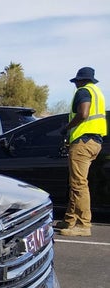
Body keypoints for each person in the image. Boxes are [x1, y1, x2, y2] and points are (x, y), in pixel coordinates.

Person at [58, 67, 106, 237]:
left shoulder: (84, 92)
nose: (76, 85)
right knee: (77, 183)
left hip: (83, 142)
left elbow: (83, 113)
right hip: (95, 142)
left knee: (79, 184)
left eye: (76, 81)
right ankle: (70, 219)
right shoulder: (97, 92)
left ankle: (83, 224)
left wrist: (67, 128)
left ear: (80, 80)